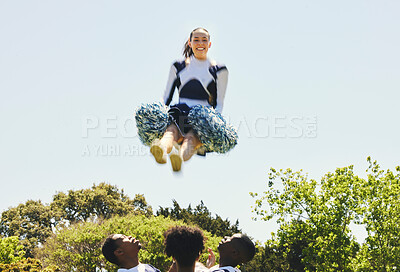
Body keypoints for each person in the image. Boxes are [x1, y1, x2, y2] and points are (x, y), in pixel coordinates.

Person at [135, 27, 237, 171]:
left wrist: (214, 123)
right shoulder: (178, 66)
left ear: (209, 44)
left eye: (204, 40)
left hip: (202, 115)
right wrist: (158, 113)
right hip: (180, 110)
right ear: (190, 43)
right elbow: (166, 96)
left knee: (191, 138)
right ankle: (161, 150)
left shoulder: (219, 70)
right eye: (196, 40)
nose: (200, 43)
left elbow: (219, 102)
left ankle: (179, 157)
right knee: (171, 131)